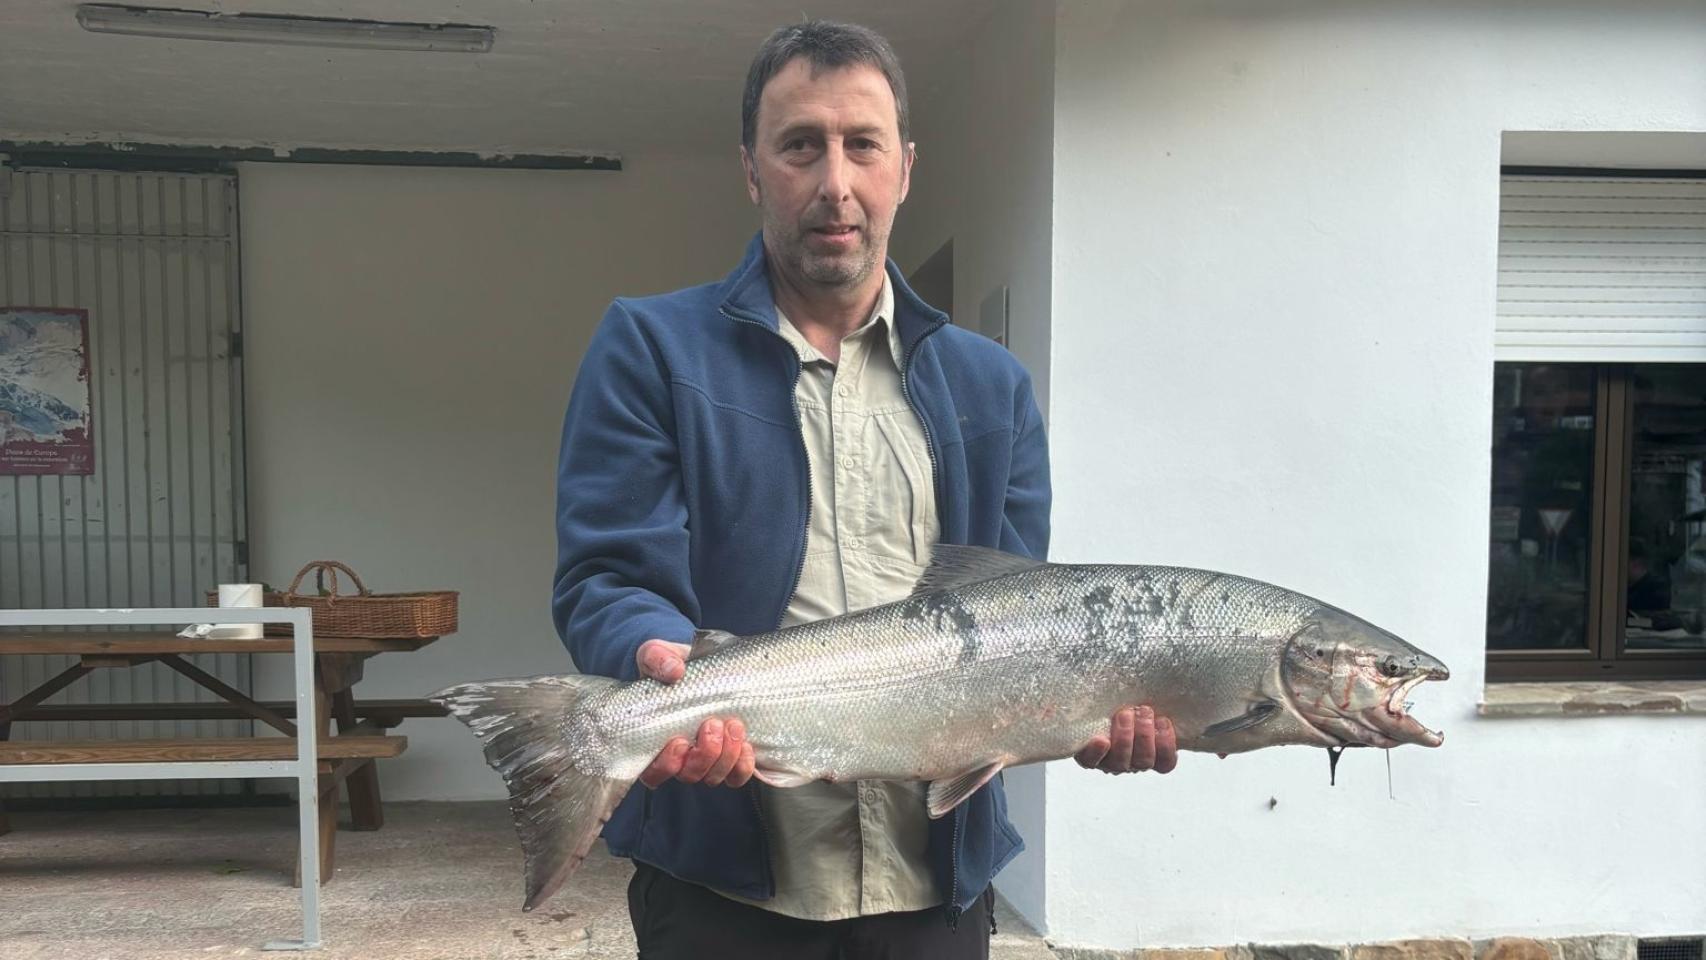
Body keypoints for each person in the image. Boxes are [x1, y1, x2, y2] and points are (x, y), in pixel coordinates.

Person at [552, 20, 1178, 959]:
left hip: (934, 884)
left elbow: (1014, 616)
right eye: (800, 144)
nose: (834, 183)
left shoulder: (991, 386)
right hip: (722, 883)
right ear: (754, 170)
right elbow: (606, 574)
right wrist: (663, 666)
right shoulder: (650, 349)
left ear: (905, 168)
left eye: (862, 145)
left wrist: (1096, 705)